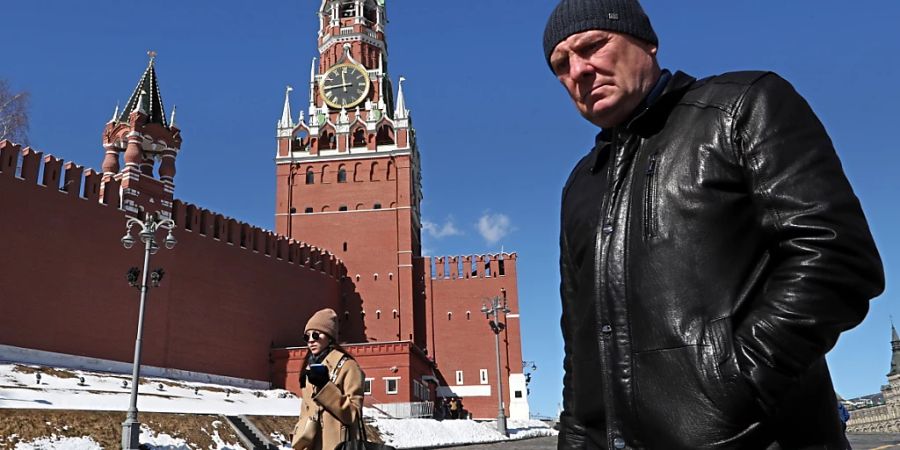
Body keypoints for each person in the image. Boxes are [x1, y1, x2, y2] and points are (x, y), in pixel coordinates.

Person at [545, 0, 885, 448]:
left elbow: (836, 257)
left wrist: (735, 388)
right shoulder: (581, 185)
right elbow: (581, 344)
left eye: (593, 45)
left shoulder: (741, 106)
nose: (579, 70)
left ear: (646, 42)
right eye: (561, 64)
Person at [292, 308, 365, 450]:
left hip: (337, 445)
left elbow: (353, 414)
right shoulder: (309, 368)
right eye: (307, 337)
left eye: (315, 335)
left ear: (329, 336)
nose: (311, 340)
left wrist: (325, 388)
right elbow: (304, 413)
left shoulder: (348, 366)